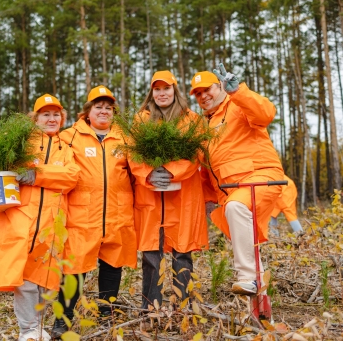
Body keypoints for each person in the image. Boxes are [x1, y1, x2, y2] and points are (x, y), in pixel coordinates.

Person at [0, 94, 80, 341]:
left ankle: (38, 328)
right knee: (25, 279)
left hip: (52, 223)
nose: (51, 119)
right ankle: (28, 330)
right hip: (20, 220)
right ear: (35, 117)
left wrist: (36, 174)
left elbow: (71, 177)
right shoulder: (19, 143)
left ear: (62, 118)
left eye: (55, 114)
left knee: (43, 280)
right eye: (45, 114)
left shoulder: (67, 149)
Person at [53, 85, 137, 339]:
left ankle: (106, 314)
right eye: (98, 107)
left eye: (108, 108)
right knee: (75, 269)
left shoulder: (126, 138)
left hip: (117, 213)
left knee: (112, 265)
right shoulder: (68, 137)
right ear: (87, 112)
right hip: (82, 215)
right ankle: (62, 321)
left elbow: (139, 172)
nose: (103, 111)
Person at [194, 64, 284, 296]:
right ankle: (261, 308)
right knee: (247, 244)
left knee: (236, 209)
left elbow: (266, 114)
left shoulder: (237, 105)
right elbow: (205, 170)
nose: (204, 96)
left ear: (220, 86)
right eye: (198, 93)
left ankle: (248, 278)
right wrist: (208, 199)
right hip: (230, 192)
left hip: (259, 177)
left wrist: (238, 92)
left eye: (208, 89)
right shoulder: (205, 126)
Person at [129, 70, 208, 310]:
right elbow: (132, 153)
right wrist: (149, 173)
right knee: (151, 253)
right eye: (157, 89)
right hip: (151, 194)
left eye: (167, 88)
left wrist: (172, 171)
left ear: (175, 90)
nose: (162, 93)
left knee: (182, 252)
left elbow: (197, 154)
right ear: (151, 93)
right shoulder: (141, 119)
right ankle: (150, 306)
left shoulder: (191, 119)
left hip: (182, 194)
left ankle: (182, 306)